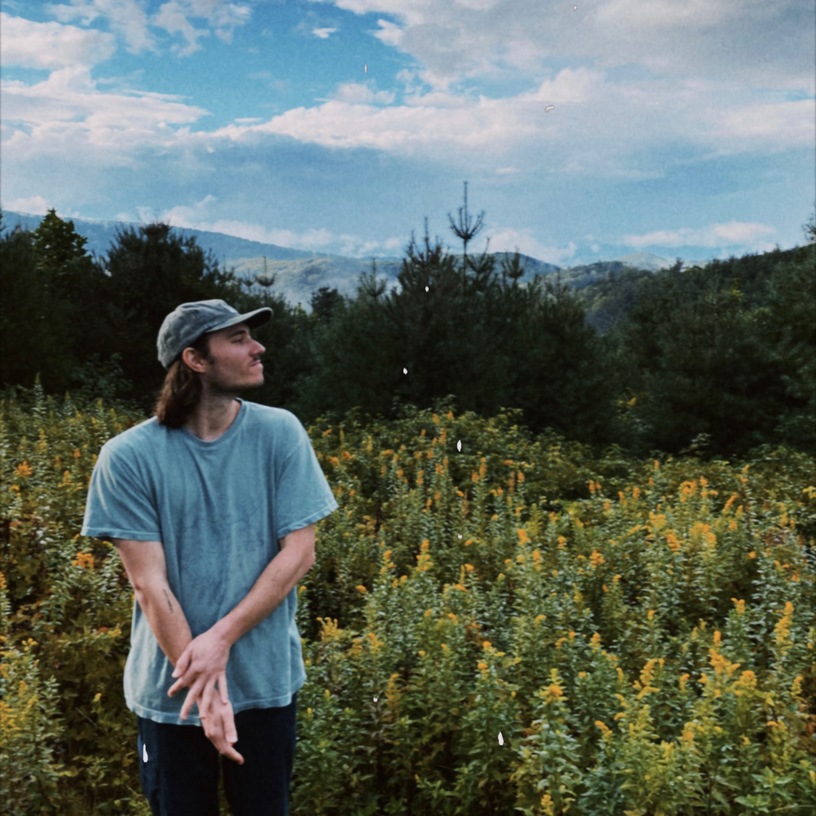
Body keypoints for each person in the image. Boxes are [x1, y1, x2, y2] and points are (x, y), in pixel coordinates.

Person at [81, 299, 337, 815]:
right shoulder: (127, 457)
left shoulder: (280, 433)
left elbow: (300, 553)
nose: (258, 348)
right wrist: (205, 691)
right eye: (238, 339)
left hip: (263, 686)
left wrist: (220, 639)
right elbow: (149, 584)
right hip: (170, 696)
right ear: (195, 360)